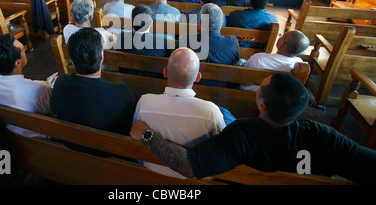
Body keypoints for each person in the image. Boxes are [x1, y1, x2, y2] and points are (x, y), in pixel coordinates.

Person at [130, 72, 376, 184]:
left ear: (262, 104)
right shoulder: (323, 135)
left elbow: (188, 164)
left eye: (261, 86)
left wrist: (147, 135)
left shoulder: (242, 134)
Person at [132, 47, 230, 178]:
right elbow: (223, 153)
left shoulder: (144, 102)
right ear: (198, 77)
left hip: (150, 175)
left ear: (165, 72)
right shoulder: (211, 112)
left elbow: (135, 137)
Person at [51, 28, 136, 154]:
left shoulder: (61, 83)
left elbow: (55, 109)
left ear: (72, 60)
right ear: (102, 56)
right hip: (110, 158)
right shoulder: (122, 93)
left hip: (70, 151)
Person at [0, 34, 57, 137]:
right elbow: (55, 109)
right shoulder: (40, 90)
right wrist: (52, 87)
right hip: (40, 142)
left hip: (6, 137)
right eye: (23, 50)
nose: (25, 51)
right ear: (17, 63)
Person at [241, 30, 310, 91]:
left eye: (282, 36)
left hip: (250, 92)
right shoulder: (299, 64)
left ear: (281, 44)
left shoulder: (259, 58)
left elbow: (243, 77)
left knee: (240, 61)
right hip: (277, 98)